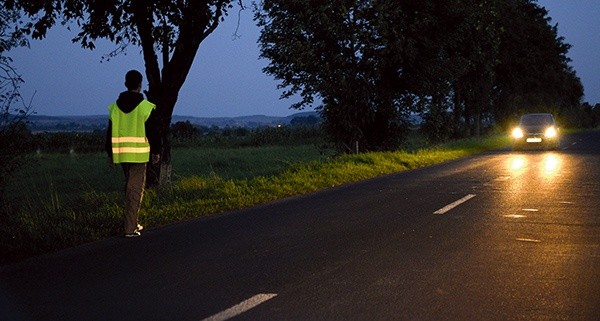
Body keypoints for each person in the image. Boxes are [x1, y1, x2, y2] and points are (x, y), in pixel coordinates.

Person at [105, 70, 161, 238]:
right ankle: (130, 228)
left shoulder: (114, 108)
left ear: (125, 84)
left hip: (122, 155)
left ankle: (131, 222)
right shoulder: (145, 107)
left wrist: (110, 154)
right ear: (140, 84)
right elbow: (154, 132)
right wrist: (156, 151)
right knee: (135, 189)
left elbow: (109, 133)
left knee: (130, 188)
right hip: (139, 155)